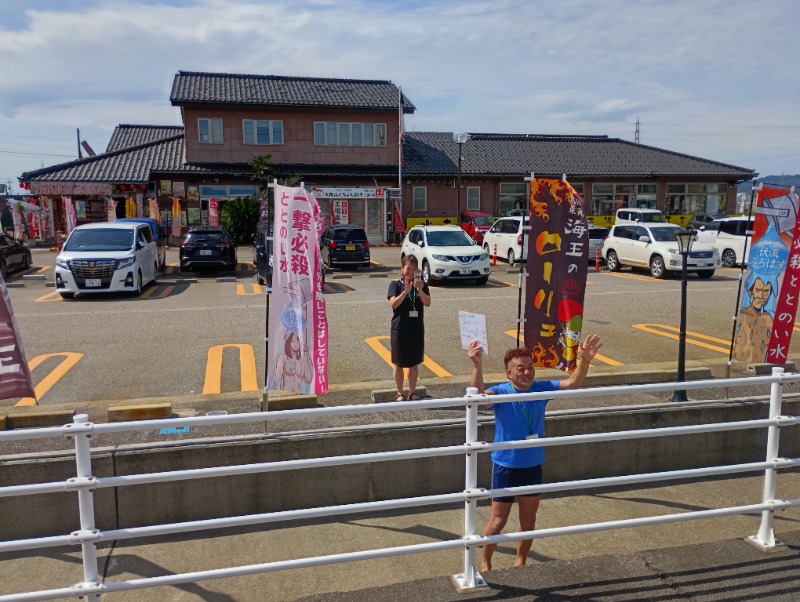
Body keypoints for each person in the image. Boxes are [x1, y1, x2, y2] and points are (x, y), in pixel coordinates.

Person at [467, 334, 603, 571]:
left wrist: (585, 360)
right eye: (520, 369)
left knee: (528, 521)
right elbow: (478, 398)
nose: (527, 372)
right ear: (509, 373)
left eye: (530, 367)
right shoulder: (502, 392)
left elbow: (572, 384)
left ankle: (521, 562)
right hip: (506, 466)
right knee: (497, 521)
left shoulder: (541, 388)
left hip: (532, 465)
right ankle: (485, 562)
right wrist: (477, 365)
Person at [388, 255, 431, 400]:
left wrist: (420, 290)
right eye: (408, 268)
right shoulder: (395, 285)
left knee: (414, 363)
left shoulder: (421, 284)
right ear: (402, 269)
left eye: (414, 269)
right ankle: (400, 393)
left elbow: (427, 303)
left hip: (416, 328)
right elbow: (393, 304)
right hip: (399, 329)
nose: (411, 272)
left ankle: (412, 392)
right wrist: (405, 292)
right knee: (398, 363)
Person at [733, 273, 776, 363]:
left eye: (766, 291)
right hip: (743, 363)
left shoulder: (768, 318)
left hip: (761, 364)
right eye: (757, 290)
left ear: (770, 293)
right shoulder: (744, 315)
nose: (761, 296)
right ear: (751, 291)